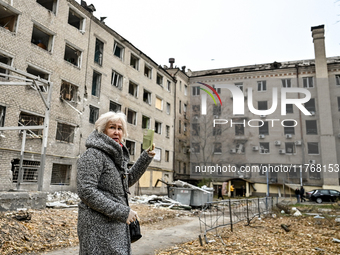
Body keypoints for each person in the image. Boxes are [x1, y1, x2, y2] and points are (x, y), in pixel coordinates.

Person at [77, 111, 155, 255]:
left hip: (114, 225)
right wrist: (123, 212)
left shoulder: (114, 155)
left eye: (120, 128)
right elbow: (86, 191)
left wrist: (146, 156)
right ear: (102, 130)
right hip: (98, 228)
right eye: (112, 127)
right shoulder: (93, 154)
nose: (117, 132)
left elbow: (126, 181)